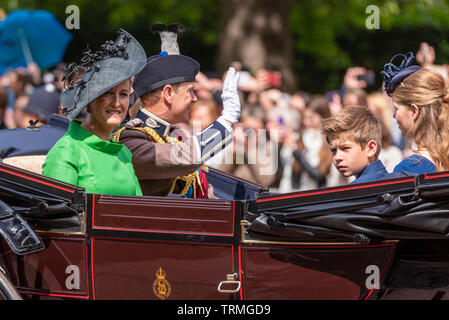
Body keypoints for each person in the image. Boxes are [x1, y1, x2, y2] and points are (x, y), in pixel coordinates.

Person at [116, 23, 241, 198]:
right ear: (168, 93)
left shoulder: (170, 137)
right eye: (190, 91)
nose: (195, 98)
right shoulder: (131, 140)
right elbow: (183, 157)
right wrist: (226, 120)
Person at [42, 29, 147, 196]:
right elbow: (60, 218)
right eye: (108, 93)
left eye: (124, 94)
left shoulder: (123, 153)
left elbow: (138, 210)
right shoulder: (67, 150)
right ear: (88, 101)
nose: (117, 103)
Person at [381, 51, 449, 174]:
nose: (394, 116)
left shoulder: (408, 170)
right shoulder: (443, 157)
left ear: (414, 111)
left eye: (396, 109)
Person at [321, 106, 401, 184]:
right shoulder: (394, 181)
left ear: (371, 148)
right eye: (333, 150)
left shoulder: (355, 191)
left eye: (345, 148)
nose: (337, 157)